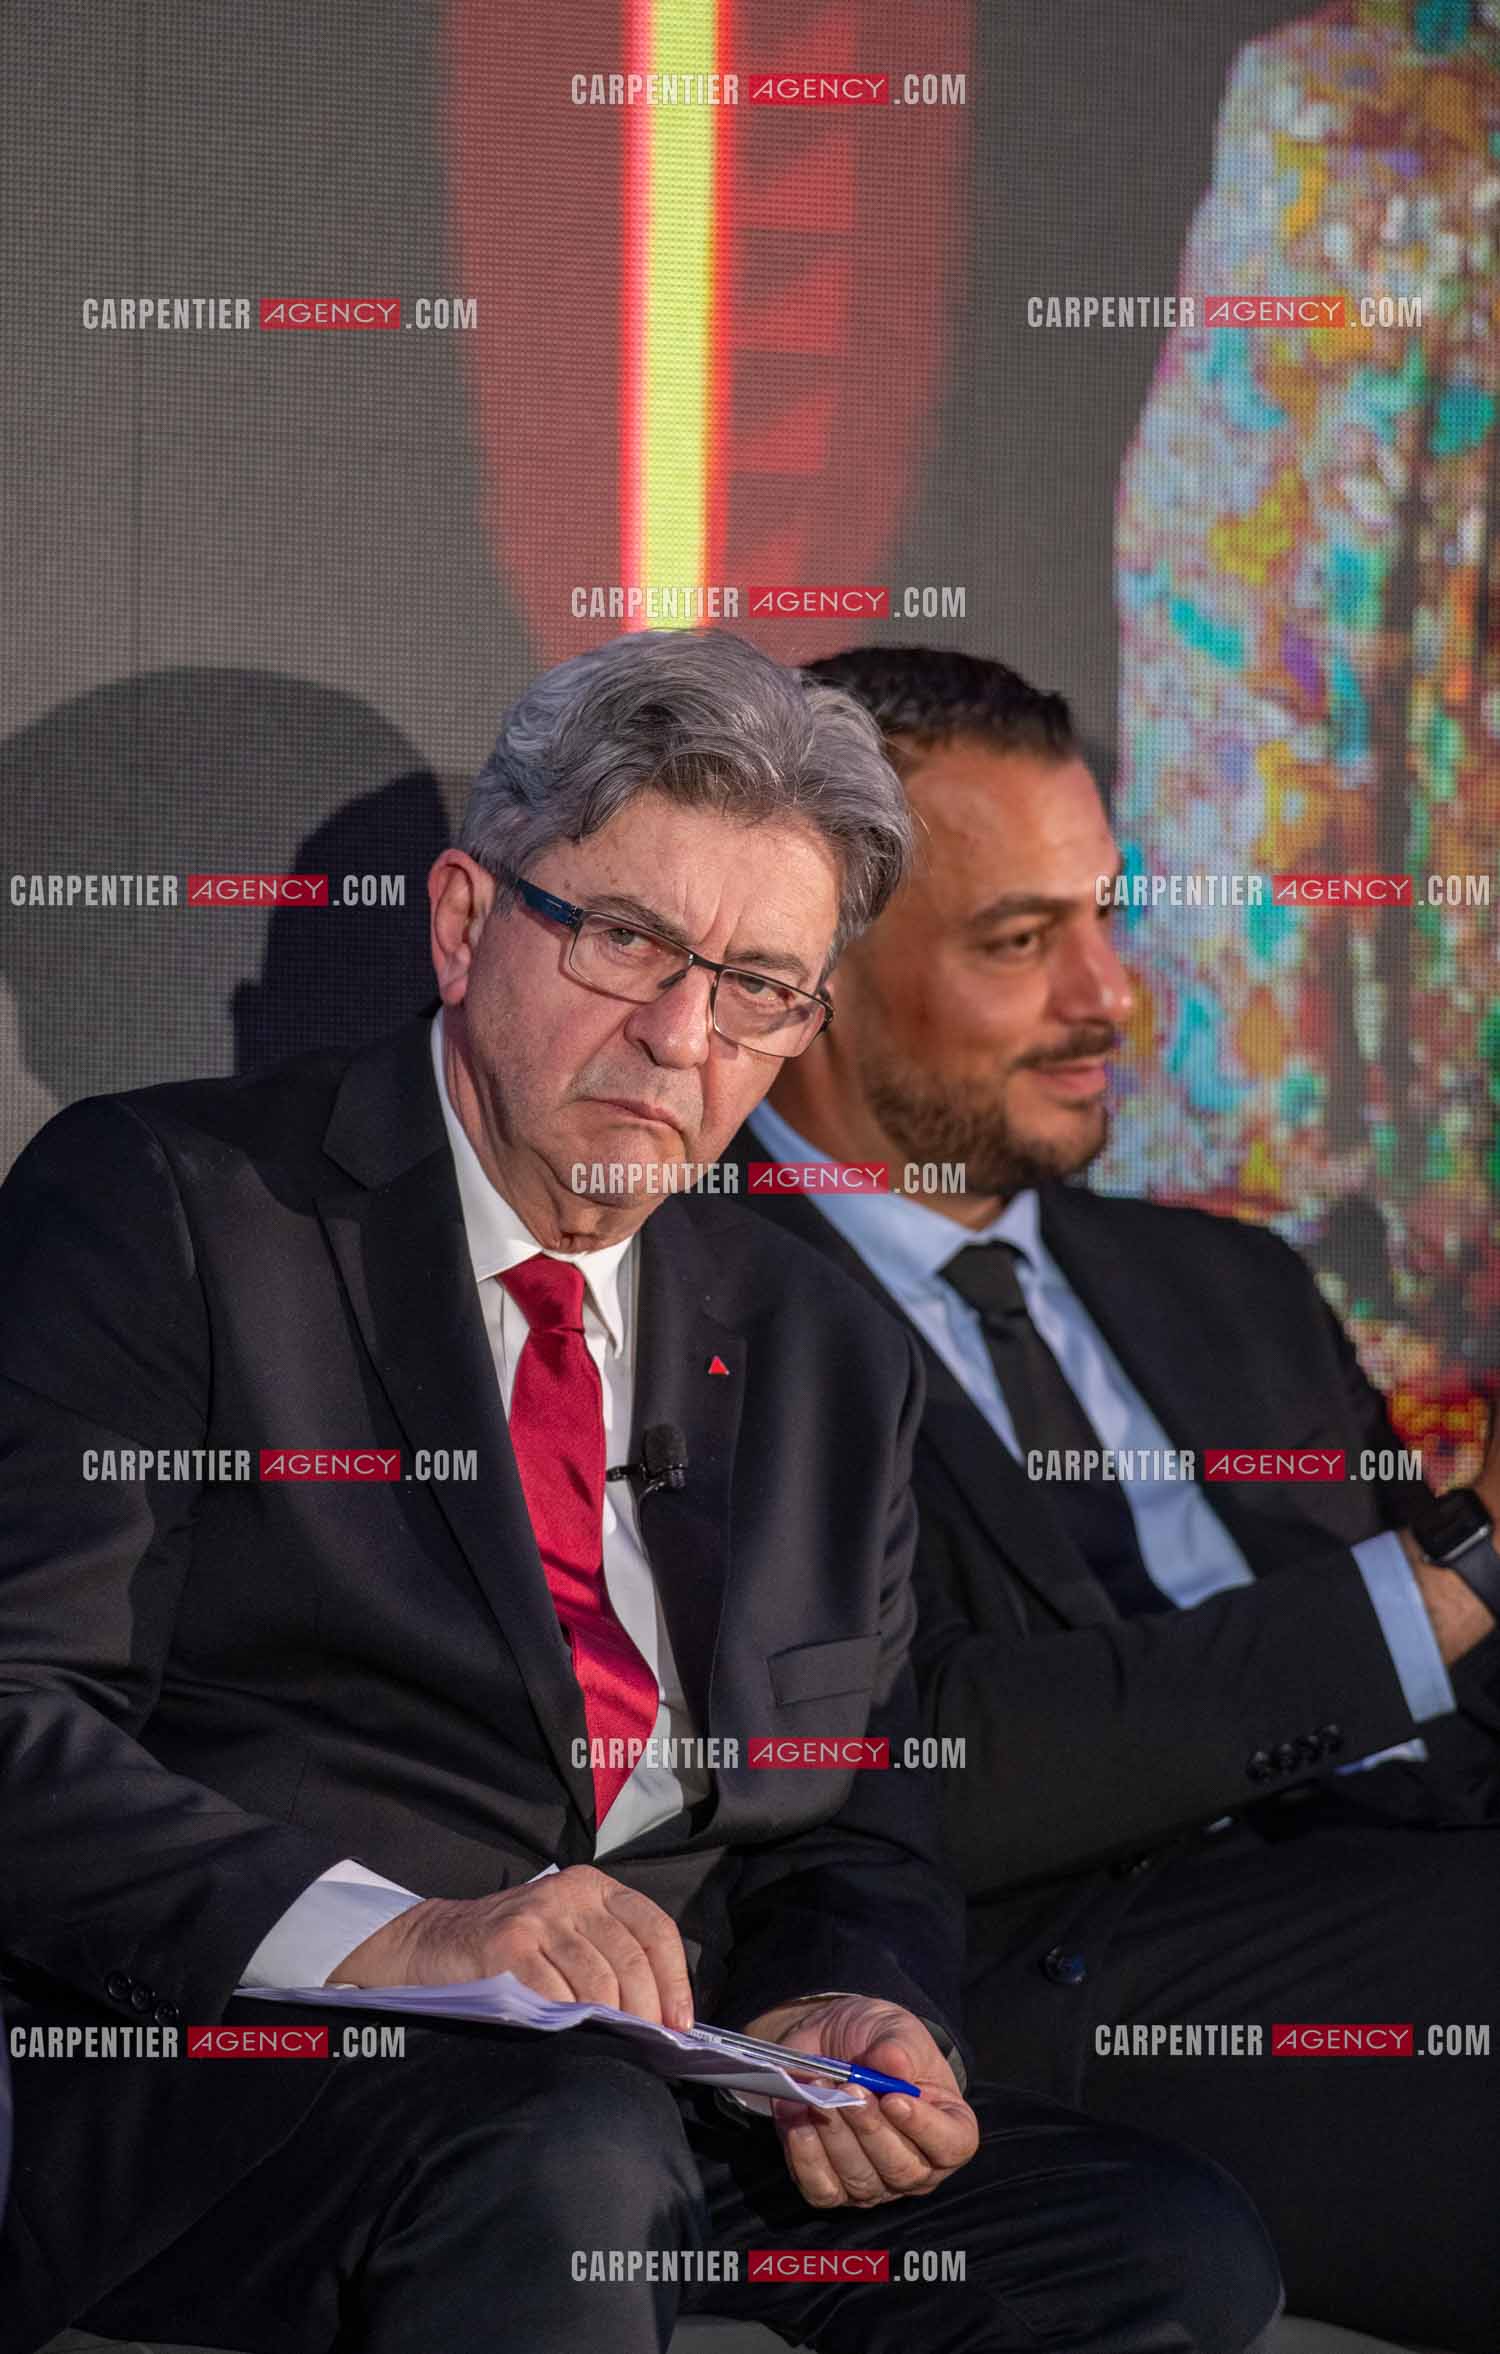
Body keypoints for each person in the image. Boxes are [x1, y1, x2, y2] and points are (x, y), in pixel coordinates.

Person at [0, 631, 1281, 2354]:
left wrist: (861, 1998)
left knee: (1158, 2243)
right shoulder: (174, 1208)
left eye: (759, 983)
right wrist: (413, 1936)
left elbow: (868, 1804)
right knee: (567, 2155)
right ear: (465, 923)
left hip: (674, 2084)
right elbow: (20, 1721)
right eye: (624, 940)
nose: (681, 1033)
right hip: (267, 2075)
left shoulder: (826, 1341)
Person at [734, 643, 1500, 2354]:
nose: (1113, 996)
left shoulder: (1218, 1280)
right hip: (1100, 1990)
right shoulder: (707, 1307)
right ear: (814, 981)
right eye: (1023, 941)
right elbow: (893, 1755)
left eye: (1109, 913)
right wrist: (1461, 1572)